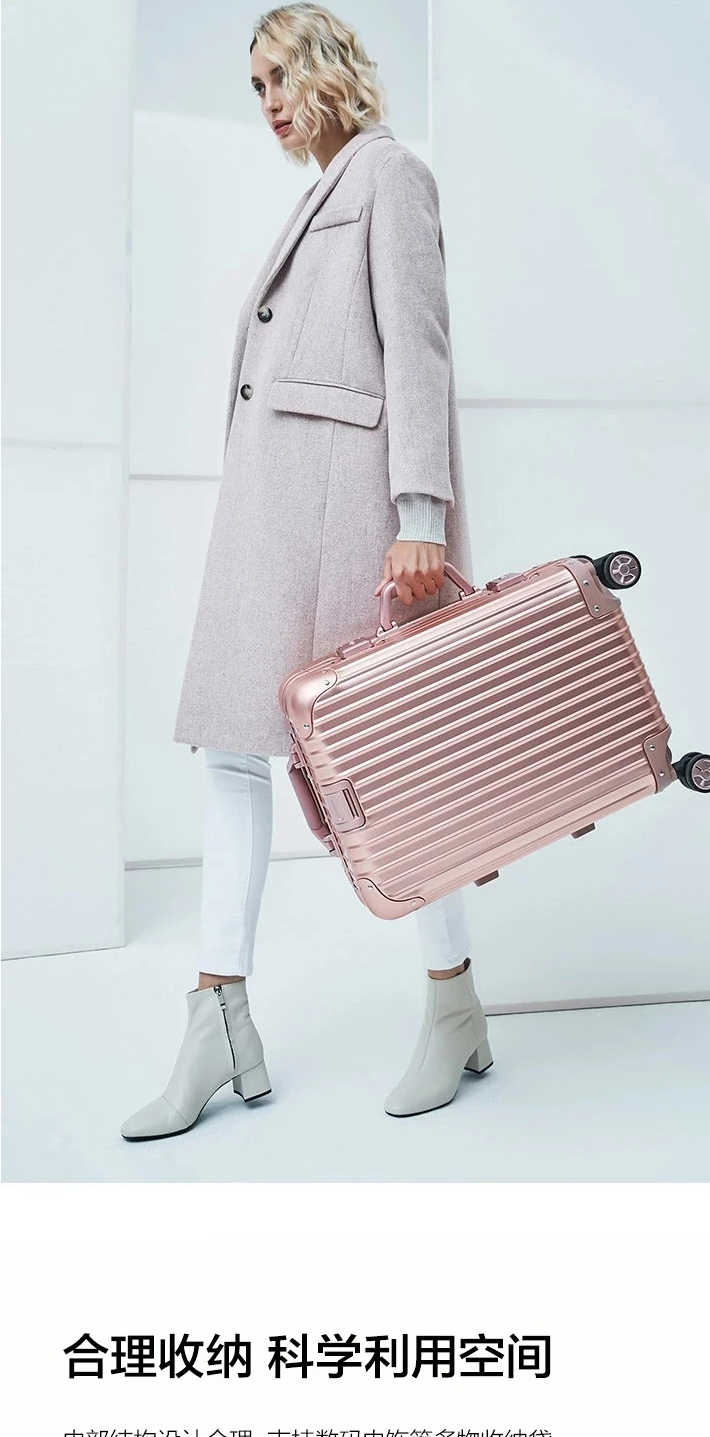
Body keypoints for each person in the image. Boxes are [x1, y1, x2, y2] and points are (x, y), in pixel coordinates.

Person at [121, 2, 493, 1142]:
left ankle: (452, 1005)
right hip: (271, 520)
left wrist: (420, 515)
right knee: (231, 751)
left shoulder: (390, 176)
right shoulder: (325, 190)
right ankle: (217, 1017)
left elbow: (418, 348)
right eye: (255, 86)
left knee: (395, 766)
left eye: (281, 75)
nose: (270, 102)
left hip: (349, 523)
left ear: (331, 67)